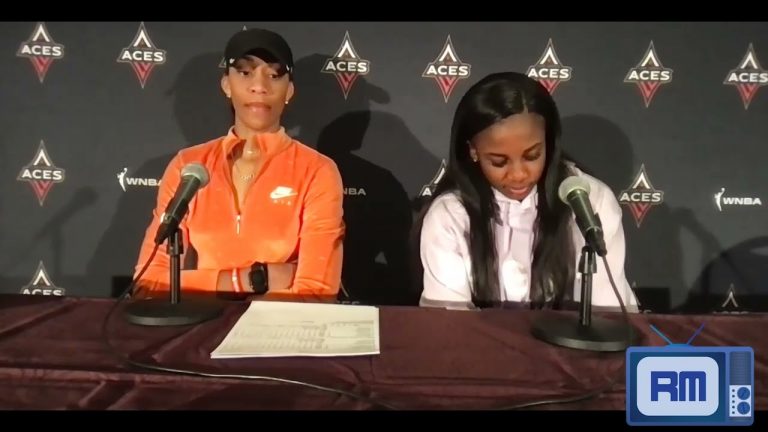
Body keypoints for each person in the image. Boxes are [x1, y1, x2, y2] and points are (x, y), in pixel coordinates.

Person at [132, 28, 345, 301]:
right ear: (226, 85)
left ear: (289, 90)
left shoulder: (317, 170)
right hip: (201, 329)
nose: (260, 86)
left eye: (274, 75)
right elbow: (148, 281)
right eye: (245, 72)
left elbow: (317, 290)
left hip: (278, 334)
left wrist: (198, 286)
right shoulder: (189, 165)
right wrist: (255, 279)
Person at [416, 71, 639, 311]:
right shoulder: (450, 215)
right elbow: (448, 327)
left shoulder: (590, 201)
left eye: (532, 156)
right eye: (499, 162)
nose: (519, 174)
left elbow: (605, 316)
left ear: (548, 142)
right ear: (473, 151)